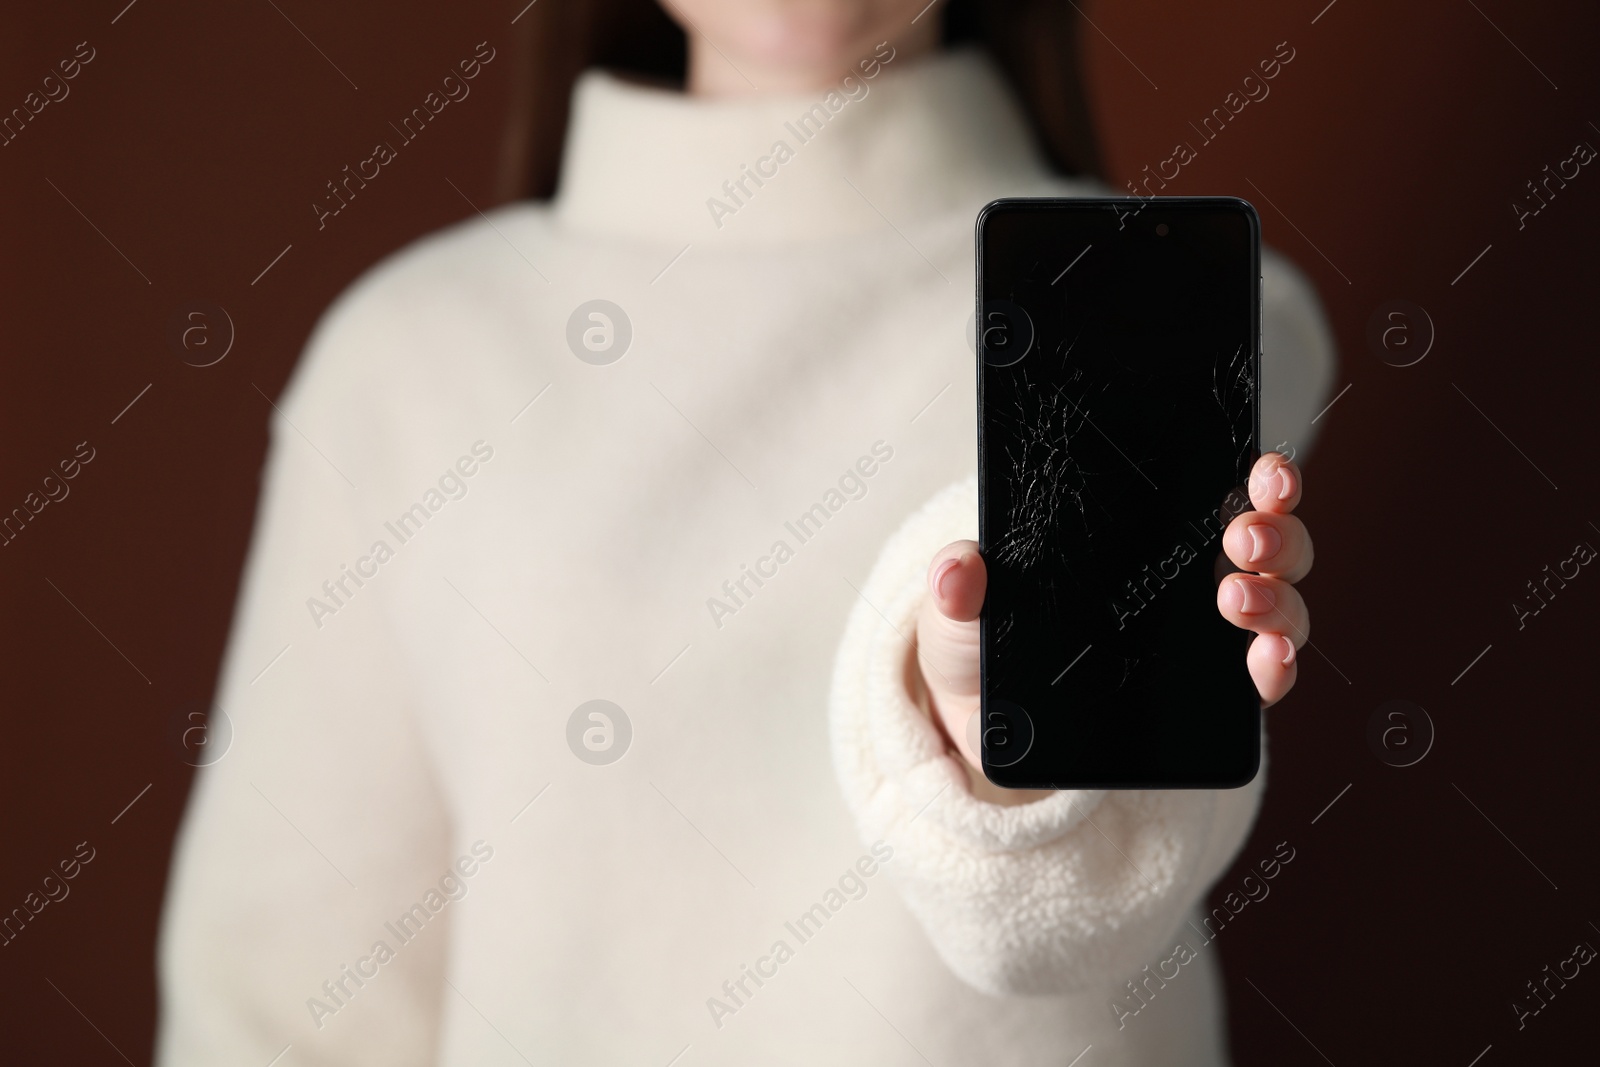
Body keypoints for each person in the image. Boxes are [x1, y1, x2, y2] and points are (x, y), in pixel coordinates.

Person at [156, 0, 1334, 1063]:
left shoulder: (1159, 312)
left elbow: (1085, 899)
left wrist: (988, 741)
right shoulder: (408, 355)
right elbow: (283, 998)